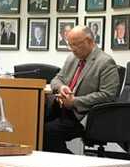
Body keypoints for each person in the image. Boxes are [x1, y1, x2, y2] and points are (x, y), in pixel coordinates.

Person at [44, 26, 119, 157]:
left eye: (76, 44)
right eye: (70, 44)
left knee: (46, 132)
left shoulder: (105, 62)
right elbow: (56, 79)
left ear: (89, 41)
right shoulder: (72, 58)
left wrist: (74, 102)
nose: (72, 49)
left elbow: (108, 95)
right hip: (60, 108)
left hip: (82, 114)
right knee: (33, 126)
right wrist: (62, 88)